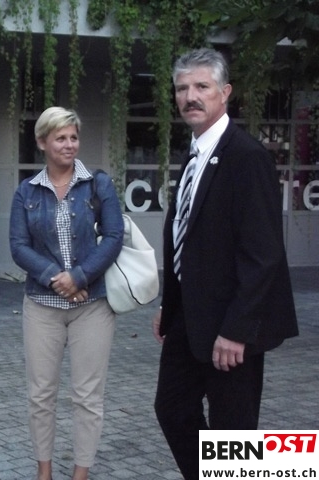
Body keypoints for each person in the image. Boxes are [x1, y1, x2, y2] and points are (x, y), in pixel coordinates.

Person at [152, 48, 298, 480]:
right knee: (173, 408)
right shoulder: (195, 153)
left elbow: (263, 253)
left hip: (232, 324)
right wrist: (169, 304)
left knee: (232, 430)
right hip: (188, 317)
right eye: (182, 88)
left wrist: (237, 330)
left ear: (225, 92)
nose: (190, 97)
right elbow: (188, 238)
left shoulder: (246, 156)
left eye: (202, 86)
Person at [9, 106, 124, 480]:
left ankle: (80, 474)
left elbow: (114, 236)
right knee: (41, 395)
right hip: (42, 305)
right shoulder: (26, 191)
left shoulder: (98, 184)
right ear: (42, 142)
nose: (69, 144)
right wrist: (55, 278)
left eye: (74, 137)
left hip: (92, 305)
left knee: (87, 396)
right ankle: (44, 472)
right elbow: (18, 246)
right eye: (60, 138)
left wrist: (79, 277)